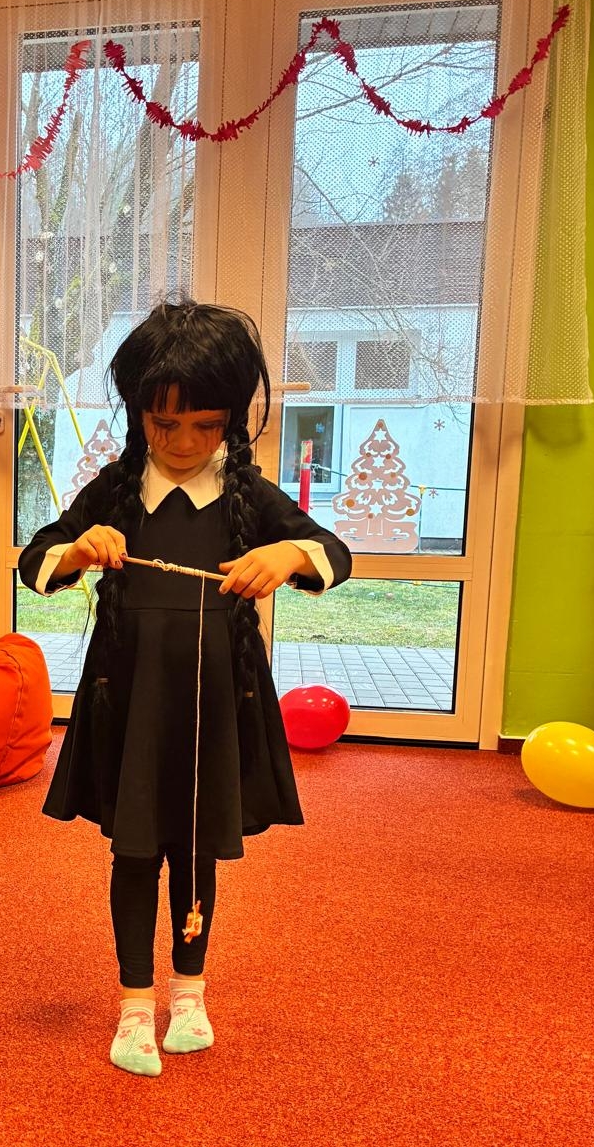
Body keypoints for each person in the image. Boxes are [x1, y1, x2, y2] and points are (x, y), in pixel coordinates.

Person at [18, 301, 351, 1077]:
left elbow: (332, 551)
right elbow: (36, 559)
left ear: (231, 419)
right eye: (164, 424)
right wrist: (79, 550)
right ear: (139, 414)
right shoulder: (118, 489)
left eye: (206, 425)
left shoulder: (244, 494)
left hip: (215, 706)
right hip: (131, 704)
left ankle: (190, 993)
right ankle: (136, 1005)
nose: (184, 442)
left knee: (197, 851)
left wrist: (289, 556)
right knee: (135, 851)